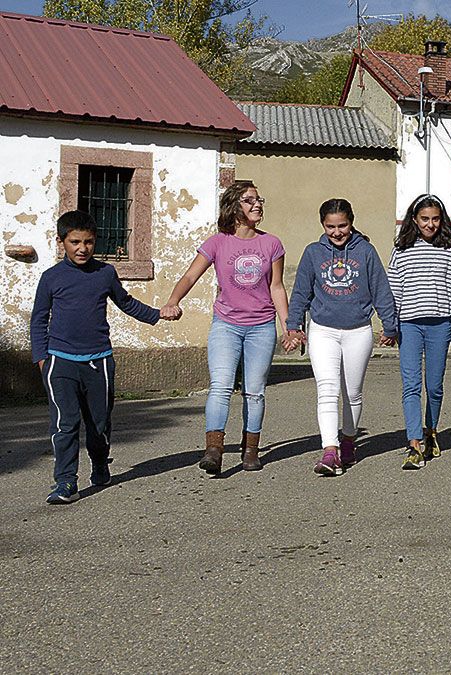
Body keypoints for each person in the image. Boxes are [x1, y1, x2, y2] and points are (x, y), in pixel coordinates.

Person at [31, 211, 176, 503]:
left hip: (99, 362)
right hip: (60, 362)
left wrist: (157, 314)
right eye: (75, 242)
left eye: (88, 242)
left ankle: (99, 463)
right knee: (64, 424)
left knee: (98, 423)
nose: (82, 248)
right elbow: (38, 319)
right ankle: (65, 482)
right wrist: (41, 357)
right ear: (61, 242)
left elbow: (125, 303)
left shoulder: (105, 274)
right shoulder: (51, 278)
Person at [163, 180, 289, 475]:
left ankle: (250, 452)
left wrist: (289, 327)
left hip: (261, 326)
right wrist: (173, 300)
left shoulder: (272, 244)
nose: (257, 205)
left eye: (259, 200)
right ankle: (214, 451)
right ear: (234, 207)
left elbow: (277, 287)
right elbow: (191, 275)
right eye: (249, 200)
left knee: (255, 391)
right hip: (226, 325)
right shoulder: (217, 242)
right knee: (220, 387)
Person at [284, 199, 398, 476]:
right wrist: (293, 325)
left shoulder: (366, 252)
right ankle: (330, 450)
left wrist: (390, 326)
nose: (337, 232)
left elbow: (380, 290)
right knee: (327, 388)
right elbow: (301, 293)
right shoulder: (313, 253)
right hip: (323, 330)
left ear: (352, 222)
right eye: (330, 226)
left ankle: (348, 439)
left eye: (342, 226)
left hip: (358, 331)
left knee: (352, 393)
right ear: (322, 225)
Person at [386, 194, 451, 470]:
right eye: (424, 219)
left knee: (434, 386)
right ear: (414, 219)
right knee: (411, 385)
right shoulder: (401, 248)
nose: (430, 224)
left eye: (435, 219)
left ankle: (431, 431)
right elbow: (394, 289)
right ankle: (413, 443)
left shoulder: (449, 248)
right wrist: (390, 326)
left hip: (439, 325)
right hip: (409, 325)